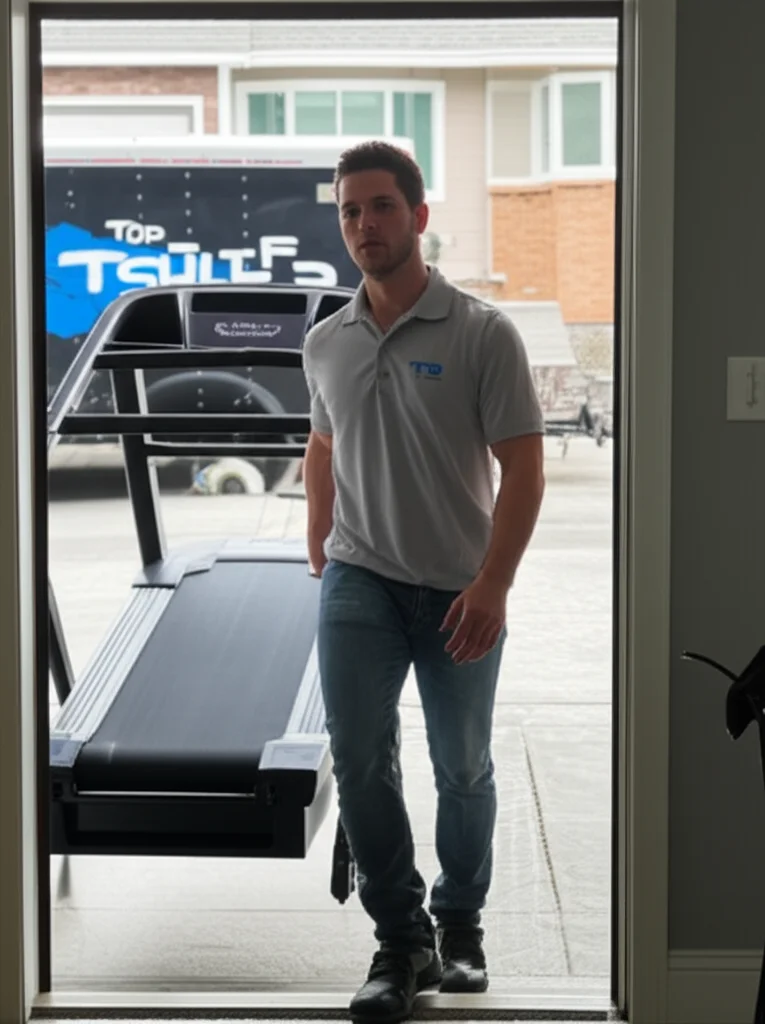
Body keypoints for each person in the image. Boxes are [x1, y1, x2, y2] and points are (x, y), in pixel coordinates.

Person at [301, 140, 546, 1024]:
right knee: (362, 763)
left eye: (380, 207)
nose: (364, 225)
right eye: (349, 211)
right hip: (360, 581)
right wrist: (317, 533)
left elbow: (522, 468)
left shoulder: (482, 333)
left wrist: (493, 585)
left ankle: (462, 926)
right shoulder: (327, 339)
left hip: (458, 590)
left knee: (463, 766)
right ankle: (400, 942)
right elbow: (321, 441)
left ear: (418, 217)